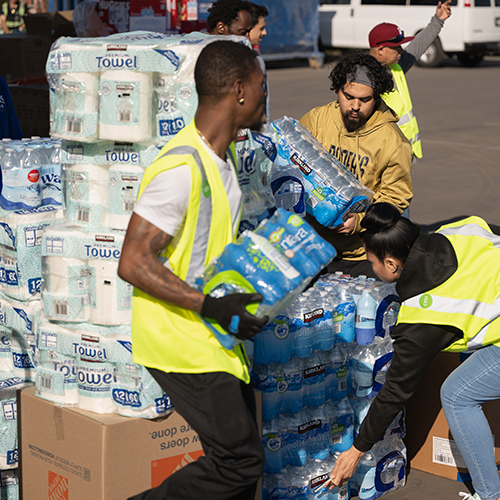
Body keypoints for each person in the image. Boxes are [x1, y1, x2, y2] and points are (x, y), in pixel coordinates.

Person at [119, 40, 268, 500]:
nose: (266, 95)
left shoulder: (219, 163)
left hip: (212, 334)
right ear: (240, 91)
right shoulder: (181, 168)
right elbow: (134, 261)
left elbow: (202, 253)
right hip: (180, 340)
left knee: (241, 472)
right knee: (239, 462)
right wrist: (211, 305)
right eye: (262, 85)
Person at [328, 202, 500, 500]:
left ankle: (490, 495)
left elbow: (396, 390)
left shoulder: (425, 316)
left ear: (392, 264)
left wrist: (356, 451)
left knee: (457, 395)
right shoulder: (452, 233)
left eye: (372, 262)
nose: (372, 268)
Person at [300, 53, 412, 278]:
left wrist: (359, 220)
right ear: (337, 89)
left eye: (365, 99)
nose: (355, 106)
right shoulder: (317, 119)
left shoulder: (392, 140)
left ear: (377, 96)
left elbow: (395, 197)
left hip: (361, 256)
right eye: (348, 96)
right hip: (311, 246)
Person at [369, 0, 452, 160]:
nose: (401, 50)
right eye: (396, 47)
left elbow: (418, 45)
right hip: (382, 158)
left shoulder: (395, 65)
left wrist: (438, 20)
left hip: (402, 152)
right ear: (380, 50)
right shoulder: (364, 79)